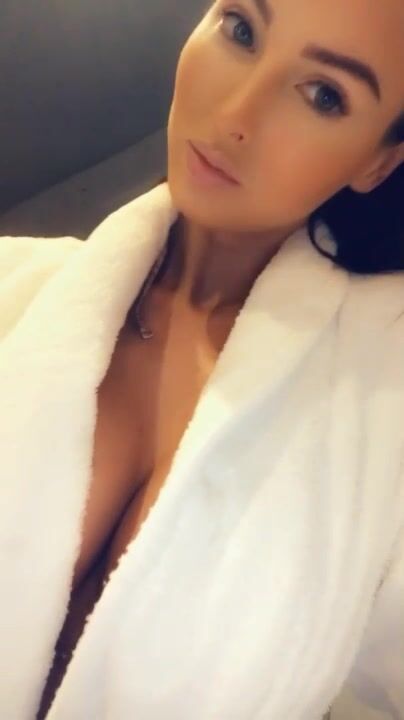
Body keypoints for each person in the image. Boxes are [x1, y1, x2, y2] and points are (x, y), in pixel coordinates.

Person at [0, 0, 403, 718]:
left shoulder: (380, 419)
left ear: (378, 161)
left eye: (323, 95)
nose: (236, 114)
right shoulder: (14, 290)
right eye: (241, 30)